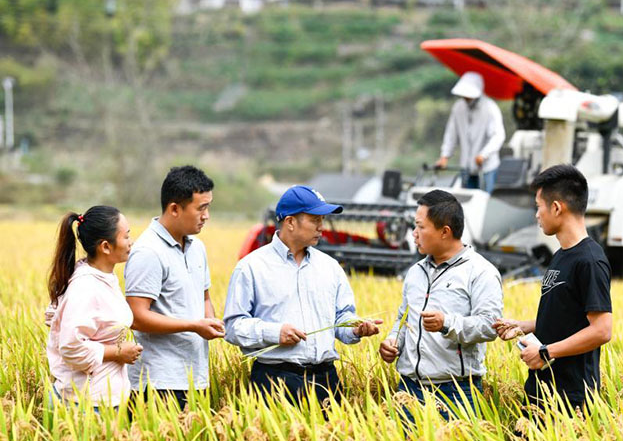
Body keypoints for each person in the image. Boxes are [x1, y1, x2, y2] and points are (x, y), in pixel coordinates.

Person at [223, 185, 381, 407]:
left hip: (326, 380)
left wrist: (356, 328)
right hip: (274, 380)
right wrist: (274, 333)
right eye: (314, 219)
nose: (321, 227)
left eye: (322, 219)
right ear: (290, 222)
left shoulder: (330, 267)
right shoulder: (251, 267)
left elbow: (341, 319)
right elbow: (232, 327)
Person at [493, 164, 612, 417]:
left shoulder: (590, 260)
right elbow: (567, 315)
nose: (537, 215)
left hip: (570, 399)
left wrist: (546, 352)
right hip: (541, 389)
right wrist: (524, 326)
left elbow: (602, 330)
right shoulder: (561, 255)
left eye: (539, 206)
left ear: (557, 207)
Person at [379, 190, 503, 419]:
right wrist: (393, 341)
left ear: (445, 231)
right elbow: (403, 319)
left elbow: (489, 325)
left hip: (455, 392)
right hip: (408, 389)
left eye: (420, 227)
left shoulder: (481, 272)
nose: (414, 234)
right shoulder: (415, 272)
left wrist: (447, 323)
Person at [124, 166, 224, 410]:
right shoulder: (148, 252)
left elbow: (204, 297)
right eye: (201, 208)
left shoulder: (197, 247)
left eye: (208, 207)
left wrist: (209, 321)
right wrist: (193, 325)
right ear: (174, 209)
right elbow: (136, 316)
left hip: (195, 376)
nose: (206, 215)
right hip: (158, 381)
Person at [45, 206, 142, 411]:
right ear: (106, 246)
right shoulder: (86, 287)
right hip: (87, 404)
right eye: (126, 236)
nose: (130, 242)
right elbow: (71, 346)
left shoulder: (100, 277)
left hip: (101, 397)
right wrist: (117, 352)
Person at [435, 71, 506, 194]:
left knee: (485, 201)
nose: (465, 98)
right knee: (467, 201)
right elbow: (451, 134)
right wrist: (445, 156)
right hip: (466, 167)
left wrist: (484, 154)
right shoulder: (458, 108)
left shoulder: (489, 108)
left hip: (486, 167)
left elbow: (498, 136)